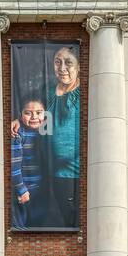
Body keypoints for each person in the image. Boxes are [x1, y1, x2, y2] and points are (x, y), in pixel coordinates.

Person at [42, 45, 80, 228]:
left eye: (68, 62)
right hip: (49, 172)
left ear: (78, 66)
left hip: (74, 173)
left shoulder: (84, 94)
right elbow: (35, 117)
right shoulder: (46, 92)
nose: (62, 68)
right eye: (58, 62)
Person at [10, 97, 47, 229]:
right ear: (20, 114)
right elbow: (14, 167)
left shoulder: (44, 130)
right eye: (28, 113)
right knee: (21, 227)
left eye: (39, 112)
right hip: (24, 192)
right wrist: (21, 190)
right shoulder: (17, 134)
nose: (34, 117)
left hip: (39, 191)